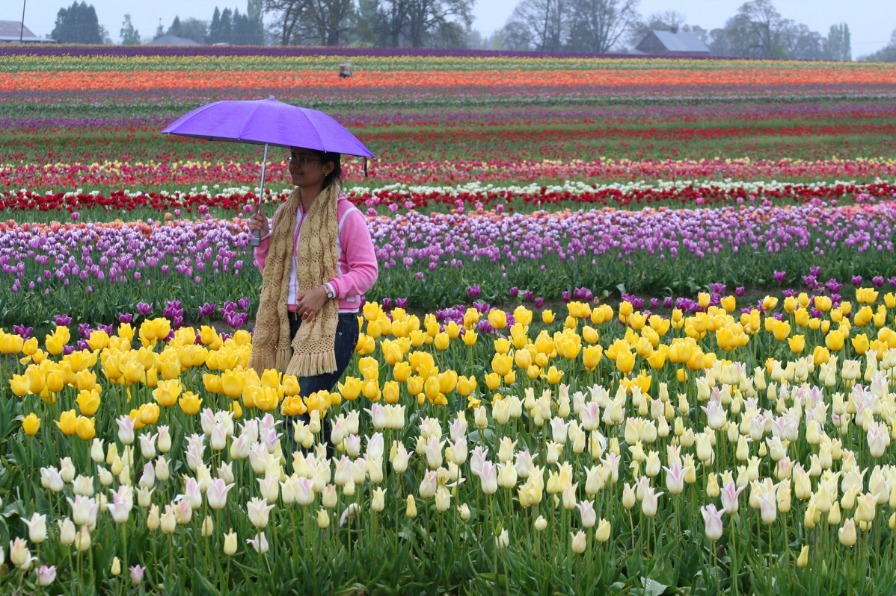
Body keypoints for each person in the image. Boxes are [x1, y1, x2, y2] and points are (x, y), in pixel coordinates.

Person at [247, 147, 377, 449]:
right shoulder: (285, 213)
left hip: (332, 326)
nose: (295, 165)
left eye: (304, 160)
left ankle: (313, 478)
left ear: (328, 167)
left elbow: (367, 271)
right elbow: (273, 273)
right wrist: (264, 240)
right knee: (301, 408)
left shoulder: (346, 216)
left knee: (302, 407)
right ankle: (334, 470)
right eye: (293, 158)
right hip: (287, 324)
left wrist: (326, 291)